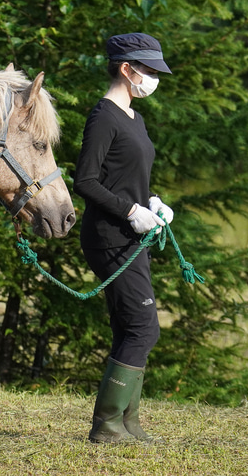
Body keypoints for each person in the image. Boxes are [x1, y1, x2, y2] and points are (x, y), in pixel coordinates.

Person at [73, 32, 174, 443]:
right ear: (127, 69)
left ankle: (127, 422)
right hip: (109, 237)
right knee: (144, 329)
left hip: (133, 236)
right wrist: (131, 211)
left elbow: (127, 176)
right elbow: (86, 181)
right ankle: (108, 425)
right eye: (148, 71)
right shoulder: (104, 116)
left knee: (128, 327)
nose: (153, 78)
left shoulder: (135, 117)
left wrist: (151, 201)